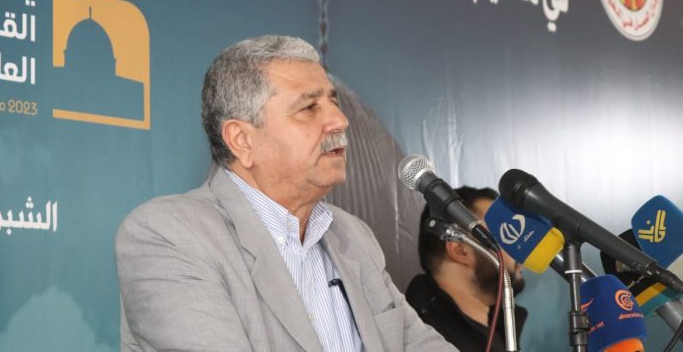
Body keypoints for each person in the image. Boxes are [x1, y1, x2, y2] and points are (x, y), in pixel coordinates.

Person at [115, 35, 457, 351]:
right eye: (309, 108)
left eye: (333, 102)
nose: (340, 120)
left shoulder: (353, 236)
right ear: (242, 140)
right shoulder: (168, 235)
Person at [405, 187, 528, 352]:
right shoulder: (424, 341)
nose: (521, 255)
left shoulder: (501, 327)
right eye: (505, 235)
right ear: (461, 251)